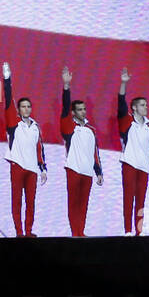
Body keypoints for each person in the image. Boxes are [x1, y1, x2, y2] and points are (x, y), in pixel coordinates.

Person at [2, 62, 46, 237]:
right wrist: (7, 79)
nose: (26, 109)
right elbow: (8, 101)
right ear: (18, 110)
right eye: (23, 107)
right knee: (17, 201)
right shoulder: (14, 124)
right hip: (18, 166)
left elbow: (39, 150)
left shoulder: (35, 126)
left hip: (32, 169)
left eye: (29, 106)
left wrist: (43, 168)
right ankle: (19, 231)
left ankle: (28, 231)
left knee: (31, 202)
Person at [60, 66, 103, 237]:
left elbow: (95, 153)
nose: (83, 111)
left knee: (84, 204)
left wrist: (98, 172)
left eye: (84, 109)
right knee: (74, 203)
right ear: (73, 112)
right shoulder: (69, 126)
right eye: (79, 109)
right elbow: (64, 108)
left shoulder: (91, 130)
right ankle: (74, 232)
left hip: (87, 171)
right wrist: (66, 86)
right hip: (73, 170)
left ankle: (81, 232)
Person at [118, 68, 149, 235]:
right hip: (129, 164)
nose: (145, 107)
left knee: (141, 201)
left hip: (143, 168)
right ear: (134, 108)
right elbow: (120, 103)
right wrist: (124, 83)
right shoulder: (127, 122)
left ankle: (139, 231)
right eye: (142, 105)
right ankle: (127, 231)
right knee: (129, 198)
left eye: (146, 105)